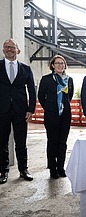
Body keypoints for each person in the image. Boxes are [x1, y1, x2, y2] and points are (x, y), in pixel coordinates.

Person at [0, 39, 36, 184]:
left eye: (12, 47)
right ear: (3, 50)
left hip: (21, 111)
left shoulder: (26, 69)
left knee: (21, 141)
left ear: (18, 50)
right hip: (1, 110)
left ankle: (23, 169)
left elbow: (32, 91)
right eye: (6, 47)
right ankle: (3, 170)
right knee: (2, 141)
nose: (9, 49)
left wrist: (31, 109)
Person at [38, 55, 74, 179]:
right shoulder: (47, 79)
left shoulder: (69, 80)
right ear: (52, 65)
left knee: (62, 142)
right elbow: (41, 96)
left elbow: (69, 97)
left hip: (65, 115)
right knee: (52, 142)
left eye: (62, 63)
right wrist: (51, 108)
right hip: (52, 115)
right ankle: (52, 169)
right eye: (57, 63)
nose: (60, 65)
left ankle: (61, 167)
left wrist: (63, 108)